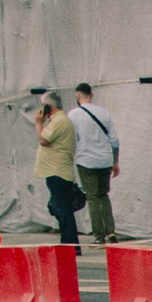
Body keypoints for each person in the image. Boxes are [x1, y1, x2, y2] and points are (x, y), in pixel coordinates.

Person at [68, 83, 119, 243]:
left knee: (93, 197)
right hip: (105, 159)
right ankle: (111, 232)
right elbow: (114, 140)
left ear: (77, 95)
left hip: (86, 160)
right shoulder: (103, 113)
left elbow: (73, 140)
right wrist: (115, 160)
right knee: (104, 195)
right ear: (92, 94)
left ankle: (99, 236)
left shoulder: (74, 115)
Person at [31, 93, 81, 247]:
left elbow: (43, 139)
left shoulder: (59, 121)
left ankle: (69, 243)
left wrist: (38, 123)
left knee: (62, 209)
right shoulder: (59, 121)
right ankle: (68, 242)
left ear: (48, 106)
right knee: (59, 207)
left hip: (57, 170)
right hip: (56, 170)